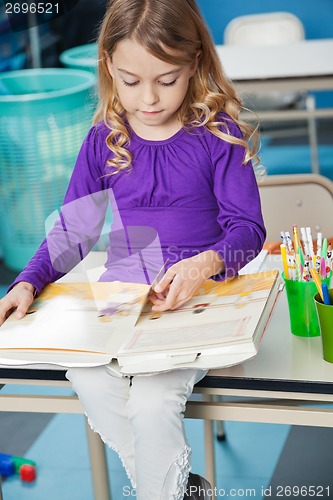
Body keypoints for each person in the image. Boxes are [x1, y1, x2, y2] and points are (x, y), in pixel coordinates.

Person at [0, 0, 266, 498]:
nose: (148, 98)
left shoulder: (217, 133)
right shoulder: (105, 137)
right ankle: (179, 488)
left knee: (149, 401)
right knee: (86, 372)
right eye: (130, 80)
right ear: (109, 68)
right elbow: (73, 231)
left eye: (166, 80)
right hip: (127, 292)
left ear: (194, 64)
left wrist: (205, 263)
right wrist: (28, 280)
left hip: (199, 298)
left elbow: (248, 229)